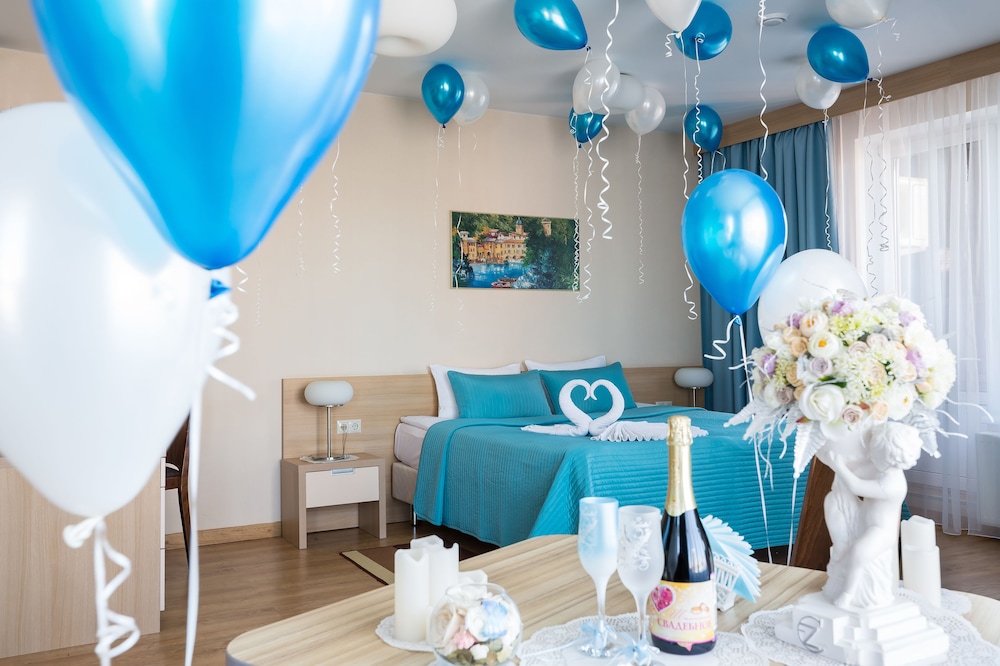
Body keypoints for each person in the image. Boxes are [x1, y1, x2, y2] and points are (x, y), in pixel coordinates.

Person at [819, 421, 923, 609]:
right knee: (834, 502)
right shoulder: (885, 473)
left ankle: (848, 594)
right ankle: (840, 562)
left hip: (880, 532)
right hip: (866, 518)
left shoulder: (893, 485)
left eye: (874, 453)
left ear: (888, 457)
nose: (870, 456)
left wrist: (839, 466)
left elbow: (856, 486)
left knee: (859, 553)